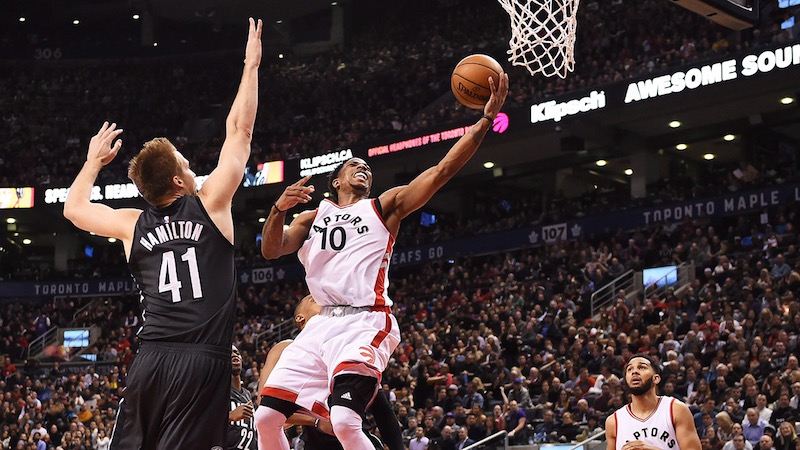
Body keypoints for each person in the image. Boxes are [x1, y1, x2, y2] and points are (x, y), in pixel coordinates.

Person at [256, 71, 509, 450]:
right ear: (336, 182)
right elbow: (271, 250)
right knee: (266, 417)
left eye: (368, 168)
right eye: (354, 165)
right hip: (322, 323)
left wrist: (485, 120)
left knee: (344, 421)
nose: (364, 169)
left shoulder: (383, 206)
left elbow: (440, 172)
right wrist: (278, 210)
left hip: (365, 319)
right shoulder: (312, 216)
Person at [62, 18, 263, 450]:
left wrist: (93, 162)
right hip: (201, 362)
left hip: (150, 359)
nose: (192, 169)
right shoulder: (210, 204)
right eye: (186, 165)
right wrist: (250, 67)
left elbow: (74, 209)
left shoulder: (131, 225)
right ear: (176, 182)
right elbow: (240, 132)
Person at [256, 295, 403, 450]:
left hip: (356, 437)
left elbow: (381, 408)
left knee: (346, 422)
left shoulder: (346, 345)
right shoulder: (286, 349)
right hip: (318, 442)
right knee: (265, 418)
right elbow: (266, 404)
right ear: (300, 318)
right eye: (315, 300)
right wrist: (316, 422)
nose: (325, 304)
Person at [606, 354, 702, 450]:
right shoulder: (614, 421)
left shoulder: (675, 409)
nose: (634, 372)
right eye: (630, 369)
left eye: (642, 367)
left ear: (656, 378)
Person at [229, 345, 257, 450]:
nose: (234, 355)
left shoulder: (247, 394)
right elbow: (201, 420)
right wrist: (230, 415)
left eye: (236, 352)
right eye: (229, 353)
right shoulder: (217, 391)